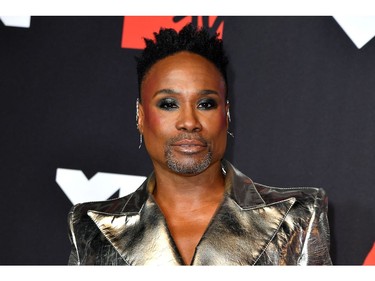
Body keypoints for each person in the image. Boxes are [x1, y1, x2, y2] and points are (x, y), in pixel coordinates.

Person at [67, 23, 332, 265]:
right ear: (140, 116)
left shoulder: (298, 216)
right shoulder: (89, 227)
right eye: (168, 104)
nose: (189, 122)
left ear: (226, 115)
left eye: (206, 104)